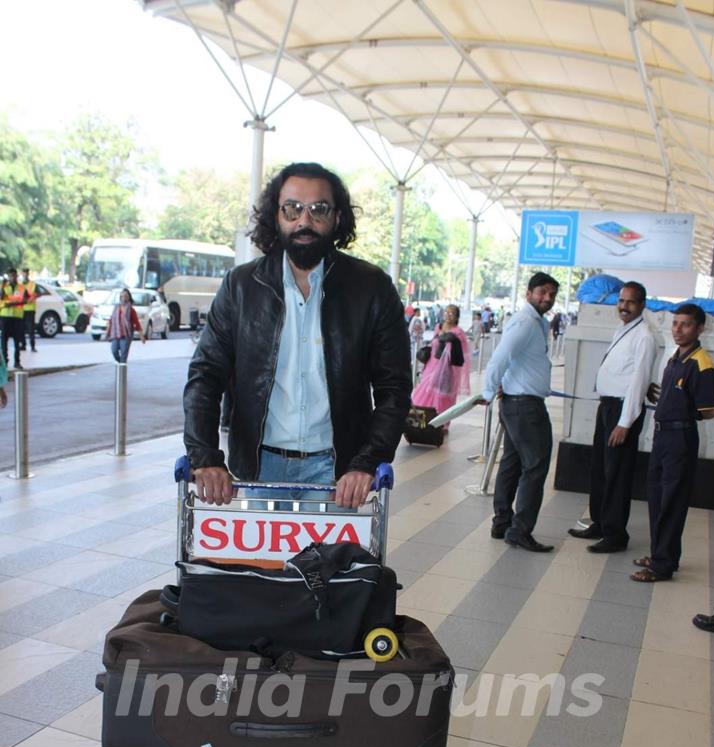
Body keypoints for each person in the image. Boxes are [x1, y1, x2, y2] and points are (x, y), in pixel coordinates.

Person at [183, 161, 412, 510]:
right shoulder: (242, 287)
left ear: (337, 217)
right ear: (276, 215)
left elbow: (393, 387)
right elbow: (205, 375)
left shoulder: (371, 288)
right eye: (292, 208)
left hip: (337, 475)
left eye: (319, 209)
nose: (304, 221)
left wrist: (366, 462)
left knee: (328, 566)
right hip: (260, 472)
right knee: (262, 567)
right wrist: (205, 457)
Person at [631, 303, 714, 582]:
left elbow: (711, 409)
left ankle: (662, 565)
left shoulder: (702, 364)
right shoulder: (676, 358)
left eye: (686, 325)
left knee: (671, 501)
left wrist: (682, 412)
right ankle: (662, 553)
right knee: (658, 498)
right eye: (675, 324)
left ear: (700, 328)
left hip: (680, 439)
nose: (678, 330)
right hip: (663, 437)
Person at [568, 282, 656, 553]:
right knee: (600, 469)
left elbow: (638, 383)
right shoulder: (623, 330)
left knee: (617, 473)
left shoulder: (644, 336)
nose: (624, 306)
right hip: (608, 408)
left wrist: (624, 422)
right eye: (621, 301)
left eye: (630, 302)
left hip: (621, 413)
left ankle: (616, 533)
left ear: (641, 305)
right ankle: (600, 522)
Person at [480, 272, 560, 552]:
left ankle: (502, 522)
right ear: (529, 293)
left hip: (518, 403)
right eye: (542, 292)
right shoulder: (526, 322)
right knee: (535, 466)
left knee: (512, 463)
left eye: (551, 294)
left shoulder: (536, 322)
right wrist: (488, 391)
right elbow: (501, 357)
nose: (547, 298)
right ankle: (520, 531)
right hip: (525, 407)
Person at [410, 303, 470, 424]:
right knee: (424, 391)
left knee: (443, 396)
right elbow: (434, 344)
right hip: (431, 366)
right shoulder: (438, 327)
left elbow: (462, 355)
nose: (448, 315)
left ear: (457, 317)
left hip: (447, 370)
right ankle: (421, 419)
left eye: (451, 313)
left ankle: (441, 423)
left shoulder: (459, 333)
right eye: (446, 312)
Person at [105, 287, 145, 362]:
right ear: (120, 297)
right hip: (116, 334)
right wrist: (108, 331)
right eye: (122, 296)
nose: (124, 298)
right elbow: (111, 321)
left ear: (129, 298)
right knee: (114, 351)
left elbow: (137, 323)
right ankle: (121, 366)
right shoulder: (116, 308)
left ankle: (122, 368)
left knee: (124, 354)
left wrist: (141, 336)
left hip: (126, 334)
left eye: (126, 296)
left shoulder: (131, 310)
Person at [0, 269, 26, 370]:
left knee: (17, 340)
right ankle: (5, 361)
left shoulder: (21, 287)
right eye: (10, 276)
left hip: (17, 317)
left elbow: (24, 301)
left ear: (16, 276)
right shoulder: (4, 287)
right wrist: (2, 286)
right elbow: (1, 298)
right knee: (4, 340)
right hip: (5, 316)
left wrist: (10, 304)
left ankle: (17, 362)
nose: (12, 278)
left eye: (14, 276)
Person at [21, 270, 37, 354]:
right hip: (21, 309)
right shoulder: (20, 285)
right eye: (24, 273)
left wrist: (27, 301)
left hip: (30, 309)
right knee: (21, 329)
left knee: (31, 329)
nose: (25, 275)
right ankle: (23, 345)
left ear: (28, 274)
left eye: (26, 273)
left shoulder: (32, 284)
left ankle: (32, 346)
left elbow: (35, 294)